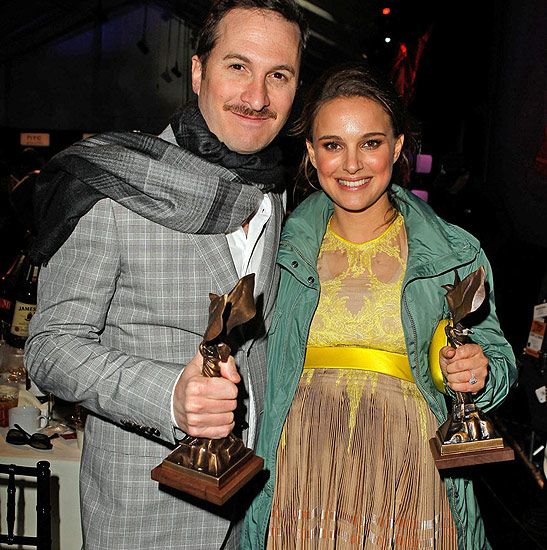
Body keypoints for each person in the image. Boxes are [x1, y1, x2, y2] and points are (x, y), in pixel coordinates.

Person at [24, 1, 308, 549]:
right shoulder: (119, 184)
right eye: (237, 66)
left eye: (279, 75)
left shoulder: (273, 189)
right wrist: (169, 395)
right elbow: (50, 349)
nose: (257, 97)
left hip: (251, 510)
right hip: (147, 520)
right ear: (198, 71)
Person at [240, 63, 517, 550]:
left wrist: (479, 372)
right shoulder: (275, 248)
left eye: (370, 143)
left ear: (398, 147)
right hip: (302, 470)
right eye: (332, 145)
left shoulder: (455, 253)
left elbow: (498, 362)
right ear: (310, 153)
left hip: (411, 472)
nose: (351, 164)